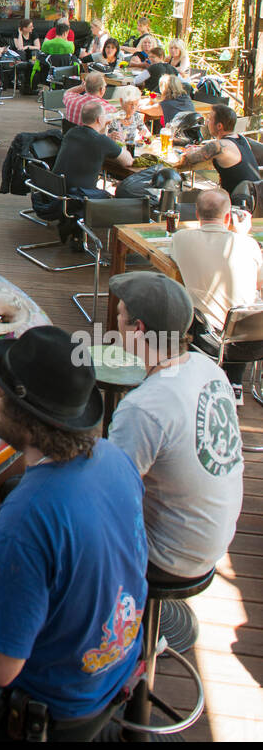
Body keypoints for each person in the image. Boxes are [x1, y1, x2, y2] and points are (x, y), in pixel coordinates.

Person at [0, 326, 147, 742]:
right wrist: (20, 577)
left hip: (53, 706)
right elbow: (91, 556)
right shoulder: (115, 458)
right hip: (118, 669)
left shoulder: (25, 513)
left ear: (23, 415)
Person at [109, 272, 244, 580]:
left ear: (138, 329)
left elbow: (110, 490)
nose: (116, 323)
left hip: (167, 555)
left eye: (120, 315)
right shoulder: (209, 369)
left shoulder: (144, 407)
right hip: (213, 541)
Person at [170, 186, 263, 339]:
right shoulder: (248, 244)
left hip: (211, 335)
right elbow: (258, 284)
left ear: (197, 214)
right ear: (228, 217)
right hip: (253, 336)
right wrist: (241, 235)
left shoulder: (181, 238)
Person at [36, 100, 132, 234]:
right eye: (105, 115)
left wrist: (106, 136)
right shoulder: (101, 141)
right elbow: (128, 162)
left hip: (55, 193)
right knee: (117, 195)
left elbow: (91, 142)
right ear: (99, 119)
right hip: (76, 198)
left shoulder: (72, 133)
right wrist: (120, 143)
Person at [177, 103, 259, 198]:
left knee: (192, 196)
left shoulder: (219, 146)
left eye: (210, 119)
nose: (207, 122)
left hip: (238, 204)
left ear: (219, 126)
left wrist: (189, 150)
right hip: (255, 199)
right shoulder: (241, 139)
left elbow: (189, 158)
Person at [105, 84, 151, 148]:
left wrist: (144, 133)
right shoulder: (113, 118)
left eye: (136, 104)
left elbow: (147, 133)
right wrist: (109, 136)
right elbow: (103, 138)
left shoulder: (136, 116)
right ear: (121, 101)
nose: (133, 107)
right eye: (130, 104)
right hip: (117, 152)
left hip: (133, 150)